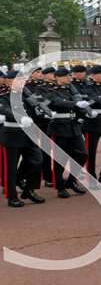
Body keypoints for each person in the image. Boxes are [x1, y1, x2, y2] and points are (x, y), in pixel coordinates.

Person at [0, 69, 45, 206]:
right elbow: (5, 110)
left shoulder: (26, 95)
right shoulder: (3, 95)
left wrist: (44, 113)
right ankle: (12, 197)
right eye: (18, 79)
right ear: (9, 81)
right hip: (12, 135)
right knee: (11, 168)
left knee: (36, 161)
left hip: (28, 134)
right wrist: (20, 117)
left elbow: (35, 111)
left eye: (22, 79)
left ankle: (29, 190)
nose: (21, 81)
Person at [45, 68, 90, 198]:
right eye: (65, 76)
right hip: (59, 129)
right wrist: (76, 103)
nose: (68, 78)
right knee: (60, 160)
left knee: (83, 154)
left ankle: (71, 181)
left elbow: (76, 110)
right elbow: (58, 103)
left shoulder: (71, 91)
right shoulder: (52, 92)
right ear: (57, 78)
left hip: (73, 127)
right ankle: (60, 187)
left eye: (68, 76)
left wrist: (85, 115)